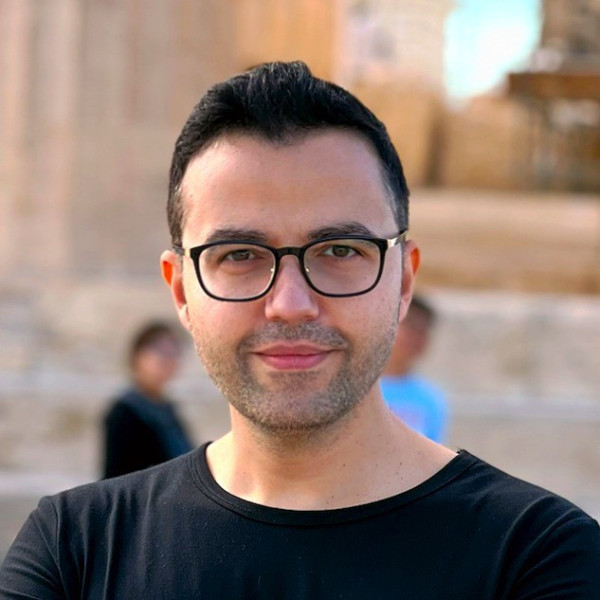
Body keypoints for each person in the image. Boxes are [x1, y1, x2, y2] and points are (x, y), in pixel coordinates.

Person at [1, 61, 598, 599]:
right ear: (181, 289)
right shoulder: (73, 552)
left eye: (339, 250)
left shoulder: (539, 557)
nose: (290, 305)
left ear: (404, 281)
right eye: (239, 255)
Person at [102, 321, 193, 478]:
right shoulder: (124, 413)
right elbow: (114, 479)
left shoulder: (168, 409)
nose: (167, 359)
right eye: (160, 350)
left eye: (173, 351)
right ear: (137, 355)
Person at [380, 294, 448, 442]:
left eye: (423, 330)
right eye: (410, 327)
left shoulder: (431, 399)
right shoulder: (359, 390)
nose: (416, 338)